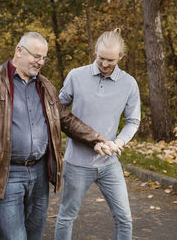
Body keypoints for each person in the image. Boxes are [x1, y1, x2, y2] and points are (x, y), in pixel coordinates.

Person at [0, 32, 116, 240]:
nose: (40, 62)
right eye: (36, 56)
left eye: (44, 57)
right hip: (8, 173)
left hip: (40, 173)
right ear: (19, 51)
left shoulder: (45, 86)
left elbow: (66, 119)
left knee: (34, 234)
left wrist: (97, 139)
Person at [54, 28, 141, 240]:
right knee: (67, 217)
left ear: (121, 57)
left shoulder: (129, 83)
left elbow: (133, 121)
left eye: (111, 60)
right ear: (95, 51)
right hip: (77, 164)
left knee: (124, 218)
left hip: (109, 164)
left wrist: (119, 141)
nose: (104, 64)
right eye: (101, 58)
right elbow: (56, 110)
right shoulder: (76, 75)